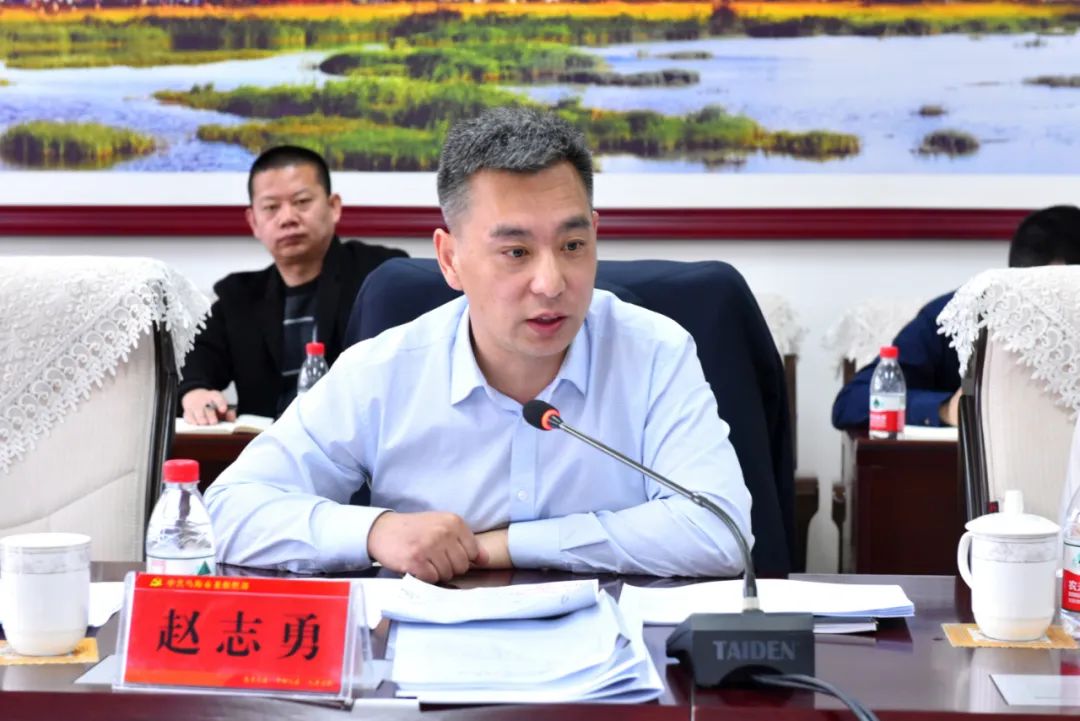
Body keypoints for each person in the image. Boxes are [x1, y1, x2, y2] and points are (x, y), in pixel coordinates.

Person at [205, 107, 753, 581]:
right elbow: (228, 512)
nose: (551, 283)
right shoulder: (385, 369)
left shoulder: (654, 352)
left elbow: (720, 531)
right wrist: (376, 532)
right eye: (516, 252)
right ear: (450, 260)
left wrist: (503, 547)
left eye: (572, 245)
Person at [179, 146, 407, 423]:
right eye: (271, 207)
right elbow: (194, 364)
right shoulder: (238, 297)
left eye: (301, 202)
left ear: (333, 207)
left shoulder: (381, 276)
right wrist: (194, 392)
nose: (287, 218)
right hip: (266, 447)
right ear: (253, 221)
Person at [832, 205, 1080, 430]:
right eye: (1052, 296)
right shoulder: (958, 317)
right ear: (1014, 283)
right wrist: (946, 409)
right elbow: (853, 401)